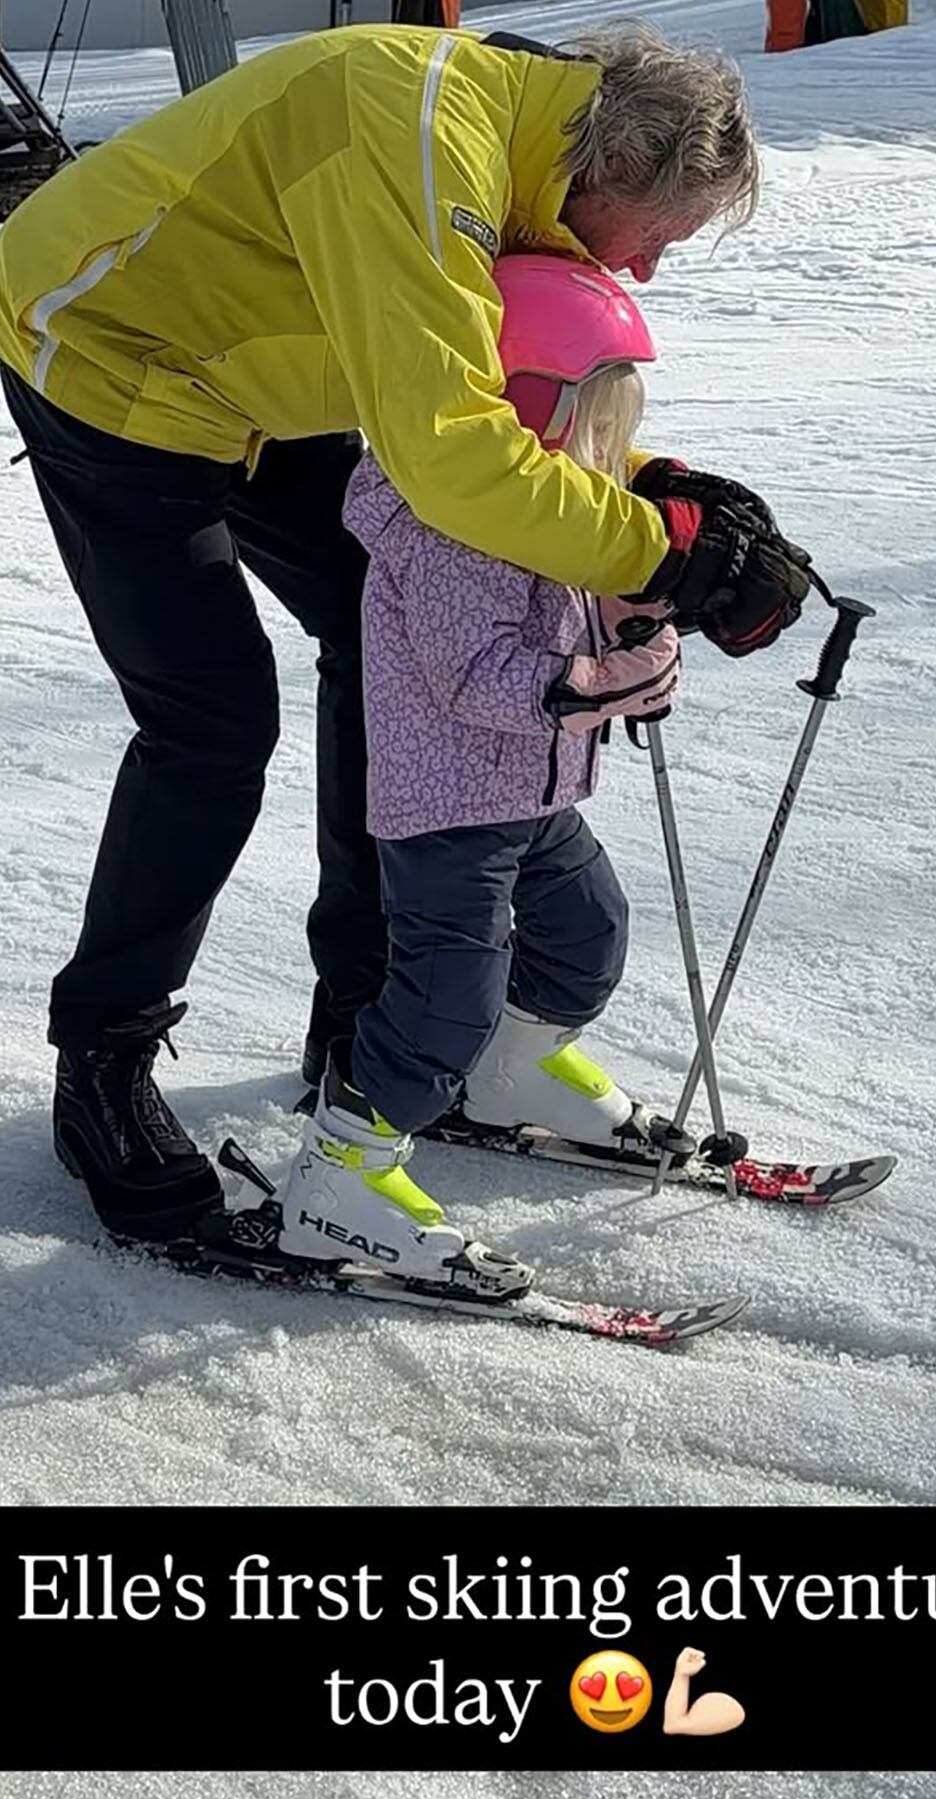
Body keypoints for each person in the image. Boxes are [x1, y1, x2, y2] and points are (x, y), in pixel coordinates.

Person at [0, 14, 811, 1262]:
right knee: (212, 723)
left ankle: (365, 1026)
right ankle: (102, 1063)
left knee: (390, 634)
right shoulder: (423, 139)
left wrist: (660, 489)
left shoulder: (534, 165)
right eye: (658, 239)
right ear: (619, 166)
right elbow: (454, 459)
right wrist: (659, 554)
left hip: (272, 379)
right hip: (110, 354)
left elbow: (496, 398)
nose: (641, 272)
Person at [281, 253, 693, 1298]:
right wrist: (596, 683)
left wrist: (635, 622)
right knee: (443, 1004)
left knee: (589, 932)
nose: (604, 462)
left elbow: (570, 610)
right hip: (449, 804)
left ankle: (513, 1073)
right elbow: (476, 675)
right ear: (530, 410)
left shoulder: (530, 503)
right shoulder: (451, 523)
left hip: (532, 791)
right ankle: (340, 1172)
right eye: (598, 433)